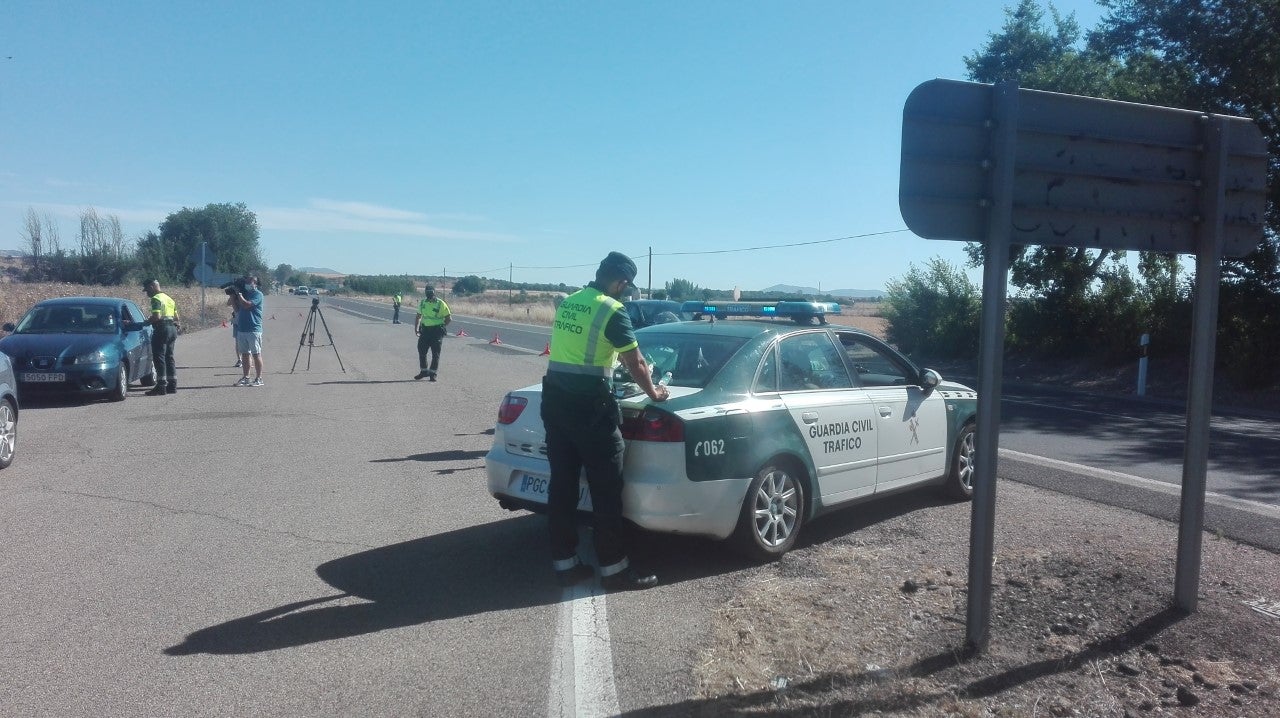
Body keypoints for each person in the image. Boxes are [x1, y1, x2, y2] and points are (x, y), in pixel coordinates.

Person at [542, 251, 669, 591]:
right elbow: (637, 363)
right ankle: (614, 569)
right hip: (590, 408)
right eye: (626, 287)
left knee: (563, 486)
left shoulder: (569, 302)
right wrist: (654, 393)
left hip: (555, 402)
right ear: (621, 282)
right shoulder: (612, 310)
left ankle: (565, 564)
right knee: (606, 490)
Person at [142, 279, 179, 395]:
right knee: (169, 357)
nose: (147, 293)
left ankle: (161, 386)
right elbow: (176, 318)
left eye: (147, 289)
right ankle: (172, 385)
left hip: (162, 329)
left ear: (152, 286)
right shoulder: (169, 299)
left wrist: (146, 321)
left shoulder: (156, 299)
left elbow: (156, 316)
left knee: (159, 357)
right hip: (172, 329)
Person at [231, 275, 265, 386]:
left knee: (256, 354)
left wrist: (239, 294)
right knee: (245, 354)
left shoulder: (257, 294)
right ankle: (246, 378)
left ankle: (259, 379)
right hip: (242, 328)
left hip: (254, 329)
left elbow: (246, 305)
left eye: (251, 281)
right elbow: (237, 309)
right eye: (247, 281)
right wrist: (233, 297)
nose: (248, 283)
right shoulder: (245, 294)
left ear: (256, 284)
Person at [414, 286, 451, 381]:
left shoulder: (440, 303)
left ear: (434, 292)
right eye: (427, 291)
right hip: (425, 330)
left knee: (435, 353)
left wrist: (442, 327)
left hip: (436, 331)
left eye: (431, 291)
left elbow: (448, 318)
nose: (429, 293)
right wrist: (416, 329)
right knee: (421, 350)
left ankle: (433, 373)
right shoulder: (423, 303)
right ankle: (424, 371)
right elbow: (418, 316)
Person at [226, 295, 241, 368]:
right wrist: (233, 296)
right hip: (236, 321)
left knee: (247, 341)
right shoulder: (234, 295)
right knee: (238, 341)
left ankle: (247, 360)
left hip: (246, 319)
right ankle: (240, 359)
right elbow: (228, 303)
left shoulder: (245, 294)